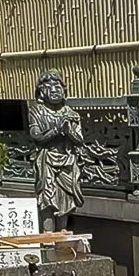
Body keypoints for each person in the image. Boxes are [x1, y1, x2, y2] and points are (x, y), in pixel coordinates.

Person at [28, 70, 84, 231]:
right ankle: (48, 233)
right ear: (41, 91)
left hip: (67, 160)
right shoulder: (36, 111)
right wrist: (57, 130)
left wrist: (69, 131)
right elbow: (36, 136)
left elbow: (79, 139)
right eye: (48, 87)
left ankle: (63, 231)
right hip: (46, 159)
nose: (54, 90)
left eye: (57, 86)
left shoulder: (70, 113)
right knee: (47, 197)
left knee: (66, 198)